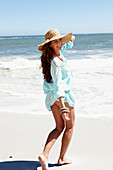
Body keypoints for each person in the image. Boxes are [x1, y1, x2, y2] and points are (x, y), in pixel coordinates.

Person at [38, 28, 75, 170]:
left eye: (60, 40)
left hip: (52, 97)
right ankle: (61, 158)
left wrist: (65, 41)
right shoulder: (56, 62)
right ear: (50, 45)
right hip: (62, 97)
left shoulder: (54, 56)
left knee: (59, 128)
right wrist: (63, 107)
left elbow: (70, 41)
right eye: (56, 41)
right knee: (69, 127)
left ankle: (45, 155)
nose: (60, 43)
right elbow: (59, 84)